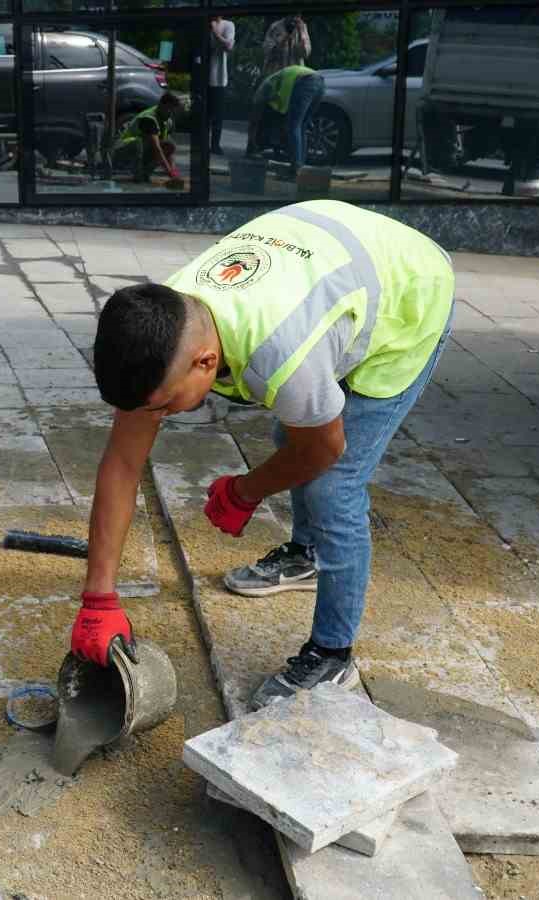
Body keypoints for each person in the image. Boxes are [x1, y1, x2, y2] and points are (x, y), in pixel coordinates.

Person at [70, 200, 455, 708]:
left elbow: (324, 449)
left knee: (331, 486)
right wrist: (98, 598)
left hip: (410, 294)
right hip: (329, 253)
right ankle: (307, 555)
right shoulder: (164, 329)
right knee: (292, 437)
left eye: (163, 408)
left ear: (207, 362)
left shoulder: (281, 355)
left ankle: (333, 655)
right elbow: (121, 464)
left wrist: (245, 490)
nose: (157, 418)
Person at [245, 64, 326, 180]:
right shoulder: (274, 80)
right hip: (320, 83)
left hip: (305, 83)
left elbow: (254, 120)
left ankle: (295, 170)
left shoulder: (261, 92)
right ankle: (300, 168)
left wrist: (251, 142)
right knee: (302, 127)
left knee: (293, 126)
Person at [112, 93, 183, 185]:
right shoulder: (149, 119)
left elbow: (167, 151)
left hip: (140, 150)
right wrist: (169, 173)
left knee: (169, 145)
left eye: (174, 111)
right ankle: (138, 175)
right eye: (170, 110)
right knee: (137, 143)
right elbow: (157, 149)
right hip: (121, 152)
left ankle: (144, 174)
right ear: (162, 105)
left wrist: (174, 172)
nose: (172, 113)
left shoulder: (167, 120)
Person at [208, 17, 236, 155]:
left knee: (218, 115)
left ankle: (215, 145)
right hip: (202, 76)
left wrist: (215, 31)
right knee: (204, 114)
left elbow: (228, 46)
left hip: (218, 78)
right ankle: (202, 143)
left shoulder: (228, 25)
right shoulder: (202, 22)